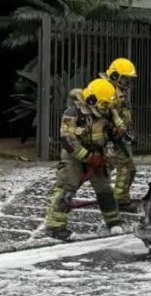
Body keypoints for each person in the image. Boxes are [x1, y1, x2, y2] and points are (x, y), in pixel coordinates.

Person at [43, 78, 123, 241]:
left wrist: (109, 150)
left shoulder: (105, 113)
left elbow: (108, 135)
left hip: (97, 154)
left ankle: (113, 221)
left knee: (104, 188)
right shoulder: (72, 113)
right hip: (74, 155)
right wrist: (88, 158)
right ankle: (55, 226)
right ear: (92, 100)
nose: (106, 107)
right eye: (104, 103)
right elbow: (68, 140)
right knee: (66, 187)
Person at [102, 58, 138, 210]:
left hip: (117, 136)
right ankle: (120, 200)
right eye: (125, 78)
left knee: (125, 167)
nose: (128, 82)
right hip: (111, 138)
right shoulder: (109, 91)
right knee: (125, 167)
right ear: (116, 76)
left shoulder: (116, 90)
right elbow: (105, 116)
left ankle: (119, 199)